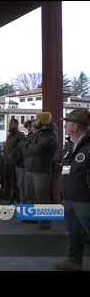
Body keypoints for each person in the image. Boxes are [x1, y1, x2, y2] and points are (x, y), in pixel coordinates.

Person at [54, 109, 90, 271]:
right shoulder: (70, 145)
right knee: (74, 233)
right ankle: (74, 261)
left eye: (67, 122)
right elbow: (66, 169)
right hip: (70, 197)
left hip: (84, 199)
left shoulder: (87, 146)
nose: (65, 125)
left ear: (75, 126)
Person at [23, 112, 58, 230]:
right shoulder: (36, 134)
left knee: (42, 197)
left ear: (42, 122)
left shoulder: (50, 135)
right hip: (30, 168)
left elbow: (35, 149)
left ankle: (45, 222)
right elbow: (25, 146)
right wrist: (29, 146)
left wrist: (29, 146)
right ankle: (30, 217)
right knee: (30, 195)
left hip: (42, 170)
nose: (34, 122)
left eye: (37, 120)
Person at [2, 119, 25, 203]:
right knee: (7, 181)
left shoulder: (20, 136)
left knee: (14, 182)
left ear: (16, 125)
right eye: (9, 124)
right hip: (6, 162)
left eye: (11, 124)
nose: (9, 125)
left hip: (14, 163)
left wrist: (14, 158)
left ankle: (14, 199)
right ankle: (7, 198)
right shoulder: (9, 136)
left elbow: (20, 150)